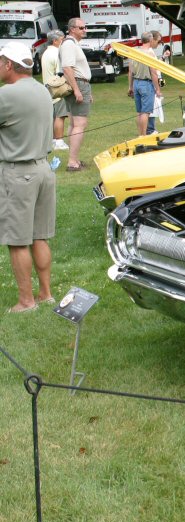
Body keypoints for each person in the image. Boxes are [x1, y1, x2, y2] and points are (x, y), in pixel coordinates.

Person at [0, 42, 56, 313]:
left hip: (19, 172)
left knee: (18, 240)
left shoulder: (7, 94)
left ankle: (26, 301)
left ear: (9, 64)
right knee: (39, 237)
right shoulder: (42, 90)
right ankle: (45, 294)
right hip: (44, 169)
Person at [58, 17, 92, 171]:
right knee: (79, 124)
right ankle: (72, 162)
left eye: (85, 27)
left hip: (80, 84)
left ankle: (74, 159)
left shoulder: (72, 44)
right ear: (72, 29)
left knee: (74, 124)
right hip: (77, 84)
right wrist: (77, 90)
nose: (85, 30)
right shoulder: (69, 44)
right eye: (81, 28)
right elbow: (67, 68)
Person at [127, 32, 162, 137]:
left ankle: (140, 135)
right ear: (150, 40)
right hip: (146, 84)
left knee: (139, 112)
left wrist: (130, 87)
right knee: (145, 112)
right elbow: (153, 73)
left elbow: (130, 71)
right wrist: (158, 89)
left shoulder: (134, 52)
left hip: (136, 83)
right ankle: (143, 136)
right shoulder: (150, 53)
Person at [40, 30, 68, 151]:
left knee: (52, 116)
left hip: (47, 88)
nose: (64, 42)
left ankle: (52, 140)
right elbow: (60, 73)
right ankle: (59, 141)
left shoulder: (45, 53)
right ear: (55, 41)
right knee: (60, 116)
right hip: (58, 89)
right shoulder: (57, 53)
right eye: (62, 39)